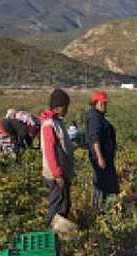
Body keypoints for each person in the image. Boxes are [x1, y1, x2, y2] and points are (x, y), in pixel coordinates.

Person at [39, 88, 77, 234]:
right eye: (65, 107)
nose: (67, 110)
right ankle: (50, 234)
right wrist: (58, 174)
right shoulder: (49, 124)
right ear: (57, 107)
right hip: (56, 174)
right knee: (57, 205)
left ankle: (60, 235)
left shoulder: (57, 122)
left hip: (62, 172)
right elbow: (50, 152)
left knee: (64, 203)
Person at [85, 90, 118, 209]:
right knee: (102, 184)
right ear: (96, 103)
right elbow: (95, 139)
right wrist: (100, 157)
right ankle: (99, 210)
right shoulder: (94, 118)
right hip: (100, 158)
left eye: (105, 103)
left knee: (108, 184)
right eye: (102, 103)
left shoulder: (98, 116)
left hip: (105, 157)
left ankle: (105, 208)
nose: (105, 105)